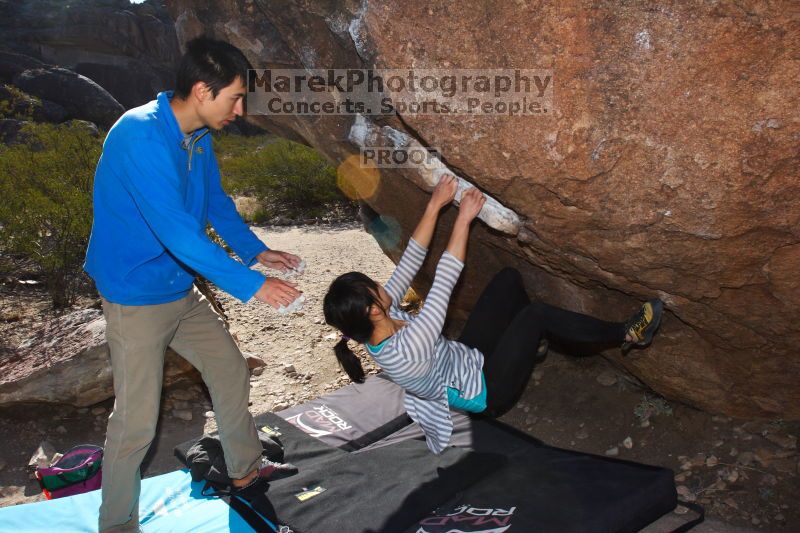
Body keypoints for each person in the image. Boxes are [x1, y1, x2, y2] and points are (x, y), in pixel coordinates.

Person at [84, 37, 301, 532]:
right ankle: (117, 525)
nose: (241, 110)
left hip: (179, 289)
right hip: (135, 297)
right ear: (203, 90)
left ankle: (246, 472)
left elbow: (216, 204)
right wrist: (252, 284)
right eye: (236, 97)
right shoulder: (139, 135)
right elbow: (178, 232)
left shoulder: (196, 138)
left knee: (229, 370)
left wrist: (253, 250)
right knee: (136, 422)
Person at [323, 175, 663, 454]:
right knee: (536, 316)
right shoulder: (407, 351)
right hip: (487, 392)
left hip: (464, 358)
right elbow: (445, 280)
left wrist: (435, 204)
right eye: (373, 288)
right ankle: (628, 333)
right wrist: (464, 218)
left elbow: (412, 258)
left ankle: (528, 347)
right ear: (372, 310)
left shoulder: (376, 320)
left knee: (508, 282)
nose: (382, 286)